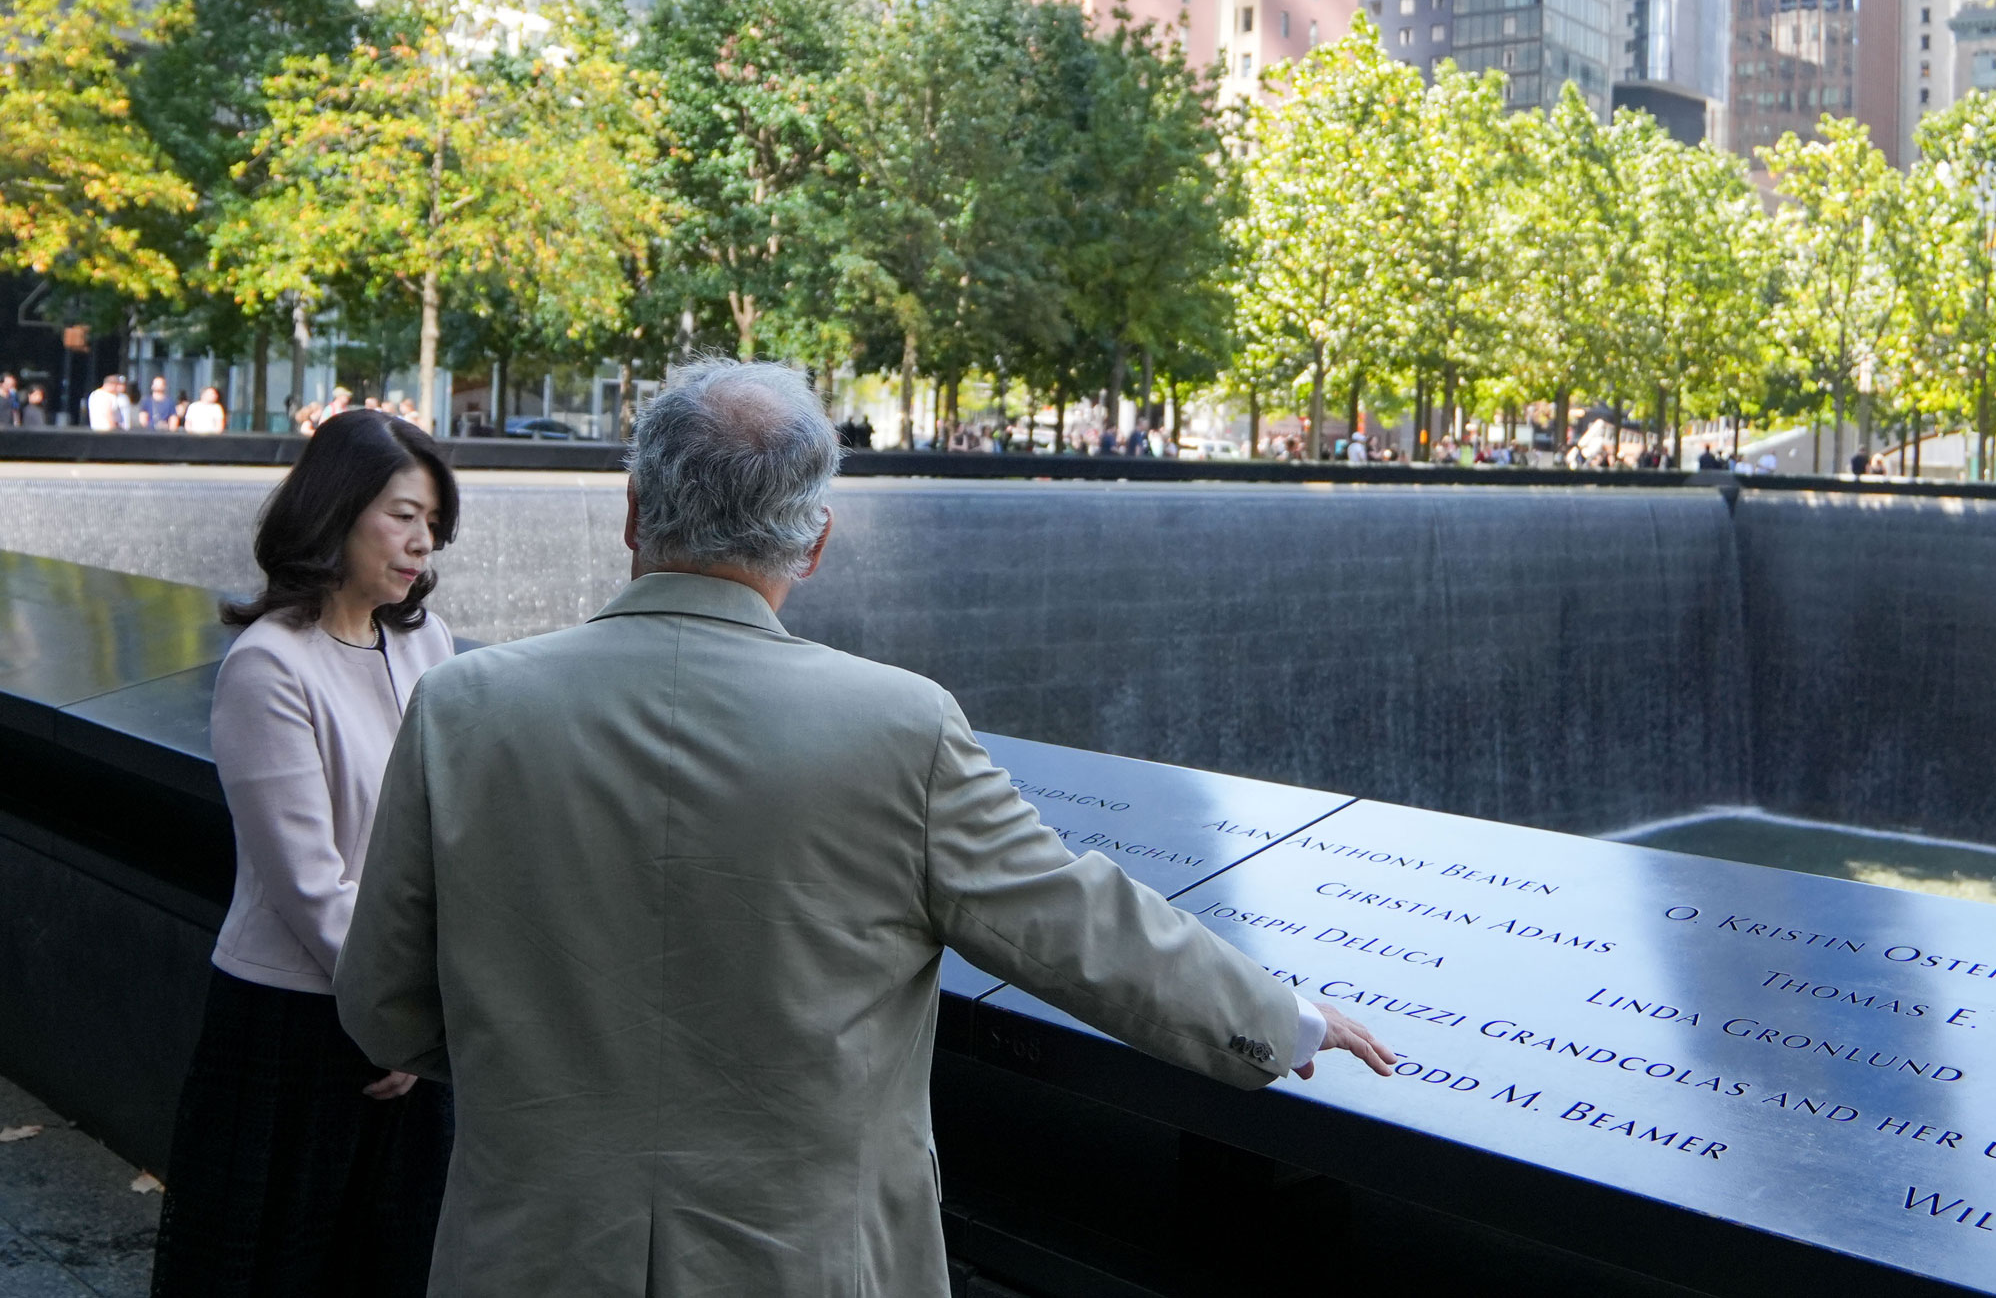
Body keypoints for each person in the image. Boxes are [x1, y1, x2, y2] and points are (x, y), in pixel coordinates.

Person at [338, 362, 1396, 1296]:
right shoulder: (897, 726)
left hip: (534, 1248)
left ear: (630, 513)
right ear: (815, 537)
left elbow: (383, 1002)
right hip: (804, 1258)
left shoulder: (463, 707)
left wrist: (541, 1069)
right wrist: (1279, 1019)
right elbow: (1075, 925)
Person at [152, 411, 460, 1297]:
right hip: (294, 1026)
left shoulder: (424, 642)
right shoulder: (270, 664)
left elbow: (446, 832)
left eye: (431, 524)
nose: (419, 542)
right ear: (338, 508)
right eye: (403, 514)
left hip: (405, 1019)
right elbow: (307, 880)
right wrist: (395, 1008)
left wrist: (420, 1010)